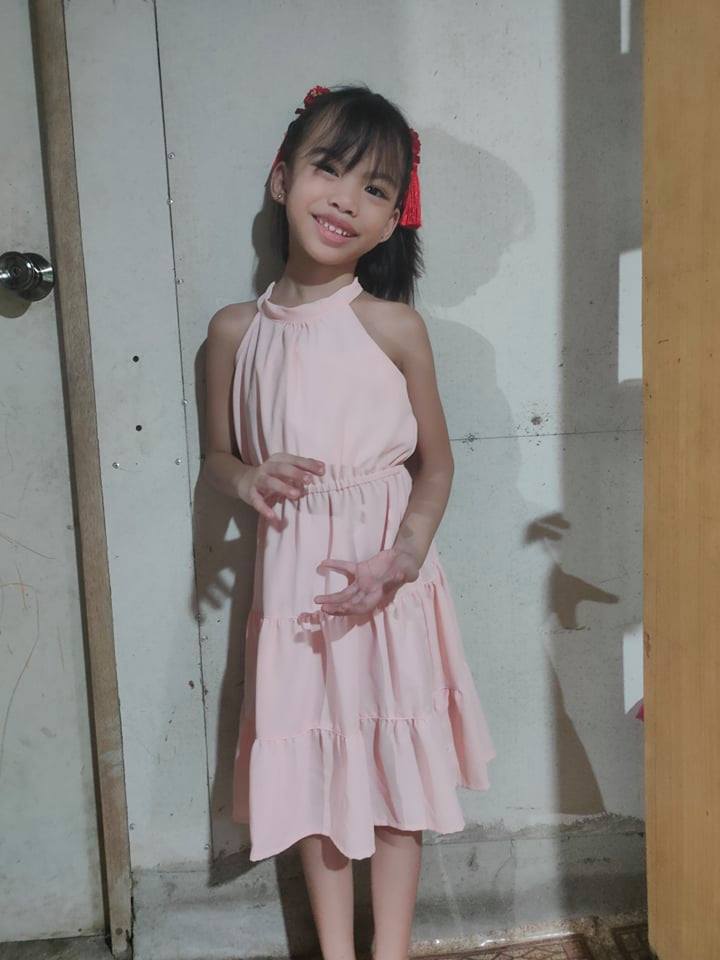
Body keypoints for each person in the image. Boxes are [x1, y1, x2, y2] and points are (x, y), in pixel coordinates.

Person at [203, 83, 496, 960]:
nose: (345, 200)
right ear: (281, 177)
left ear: (391, 220)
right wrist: (248, 476)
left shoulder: (394, 327)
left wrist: (403, 557)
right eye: (328, 170)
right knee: (313, 773)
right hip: (298, 593)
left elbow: (435, 465)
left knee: (397, 775)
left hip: (389, 587)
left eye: (374, 188)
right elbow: (217, 458)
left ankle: (390, 951)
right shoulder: (233, 331)